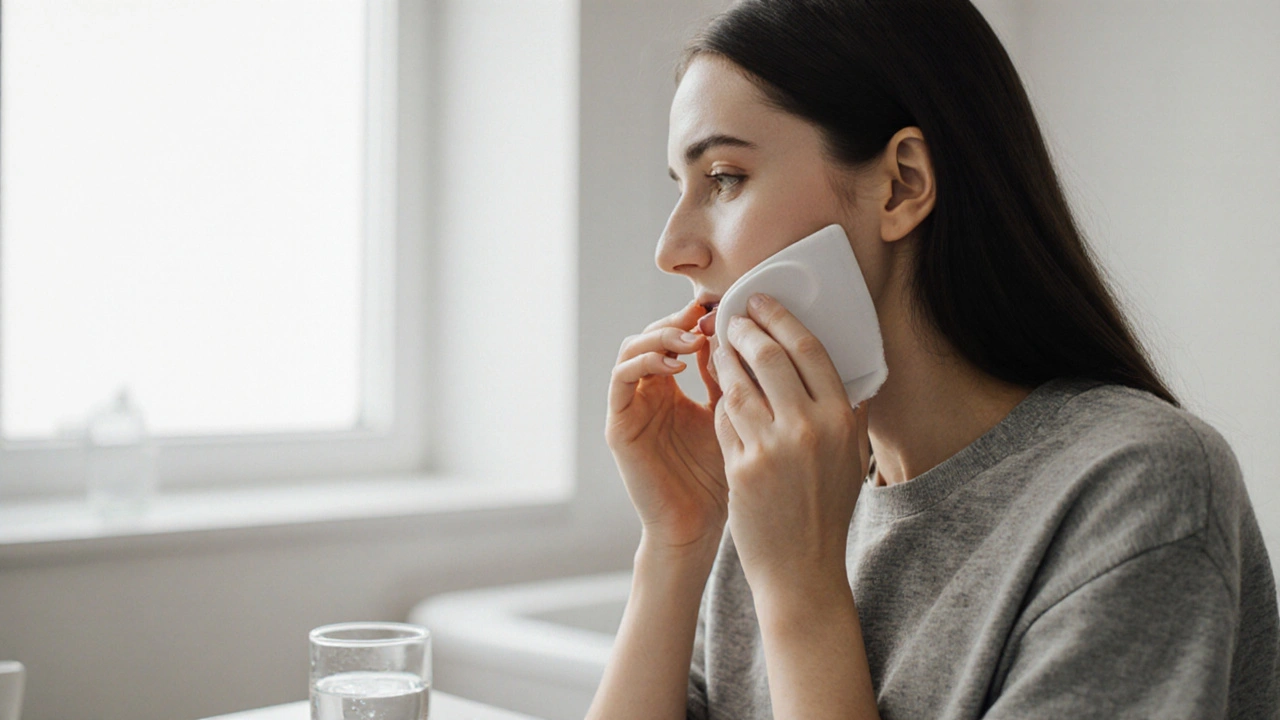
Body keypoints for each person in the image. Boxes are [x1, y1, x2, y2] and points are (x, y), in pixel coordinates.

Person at [588, 0, 1280, 718]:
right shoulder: (780, 485)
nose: (672, 251)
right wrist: (677, 542)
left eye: (724, 178)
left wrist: (801, 591)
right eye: (681, 187)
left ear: (902, 184)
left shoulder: (1139, 490)